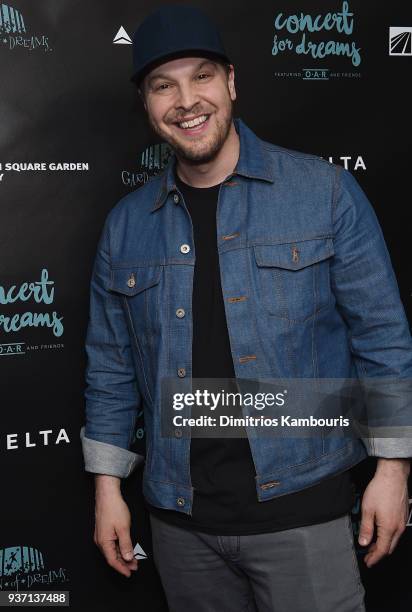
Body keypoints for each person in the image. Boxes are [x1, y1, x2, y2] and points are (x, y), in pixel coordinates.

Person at [80, 5, 411, 611]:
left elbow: (382, 339)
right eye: (163, 85)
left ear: (231, 82)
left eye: (201, 76)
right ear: (148, 107)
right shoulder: (125, 227)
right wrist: (107, 488)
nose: (185, 100)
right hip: (179, 523)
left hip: (303, 509)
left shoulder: (325, 192)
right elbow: (110, 368)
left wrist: (392, 470)